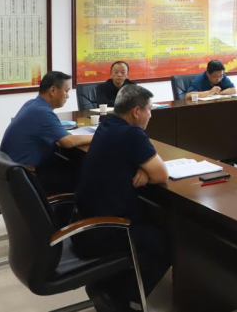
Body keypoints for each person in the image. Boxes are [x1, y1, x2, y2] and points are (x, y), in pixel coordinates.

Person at [73, 84, 170, 311]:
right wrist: (147, 168)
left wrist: (143, 167)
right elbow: (162, 174)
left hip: (83, 223)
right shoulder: (132, 133)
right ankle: (116, 297)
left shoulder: (106, 125)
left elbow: (138, 162)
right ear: (136, 111)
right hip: (107, 230)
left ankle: (106, 285)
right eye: (149, 109)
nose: (151, 115)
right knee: (165, 242)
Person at [0, 71, 93, 195]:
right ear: (53, 90)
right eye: (66, 91)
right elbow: (68, 142)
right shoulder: (42, 112)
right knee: (85, 178)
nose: (68, 96)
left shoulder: (32, 104)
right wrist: (97, 135)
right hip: (25, 177)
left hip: (12, 172)